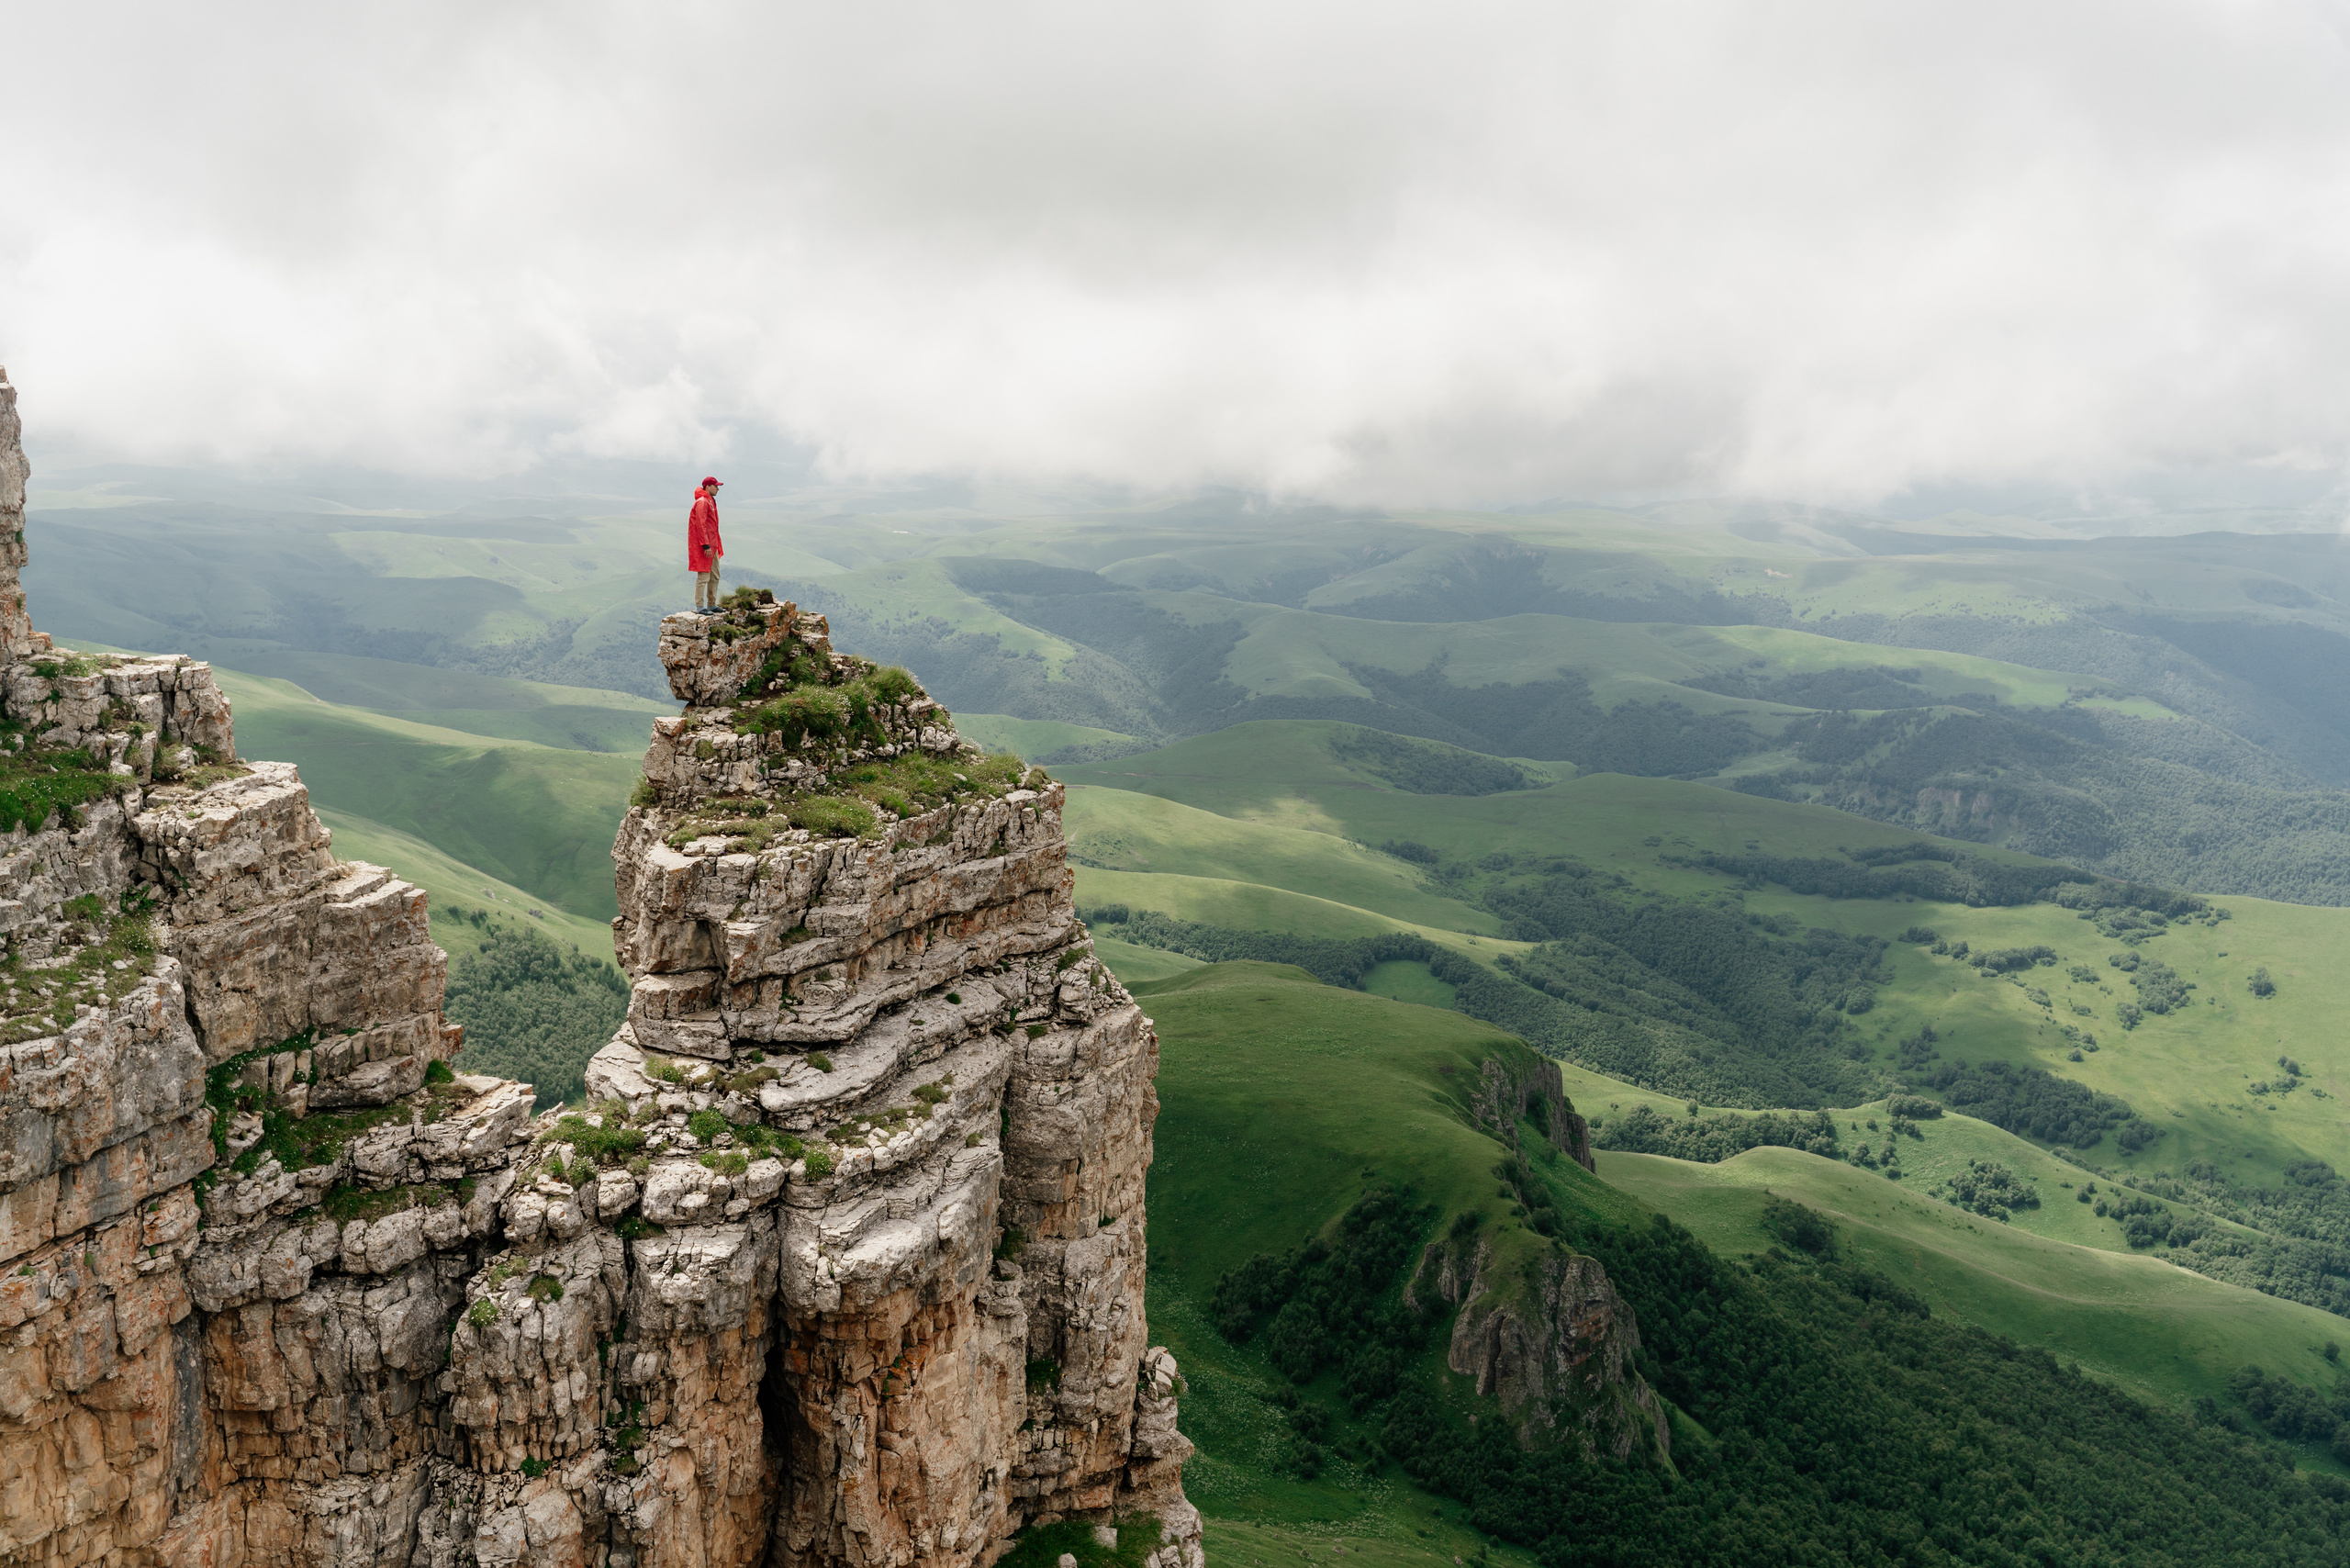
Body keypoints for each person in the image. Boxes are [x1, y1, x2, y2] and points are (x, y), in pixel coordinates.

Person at [688, 476, 725, 611]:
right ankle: (699, 606)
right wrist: (705, 545)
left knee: (714, 575)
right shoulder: (703, 502)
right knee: (703, 575)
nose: (718, 488)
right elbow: (700, 525)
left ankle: (711, 604)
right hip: (706, 546)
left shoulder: (710, 501)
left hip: (713, 545)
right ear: (707, 487)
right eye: (715, 486)